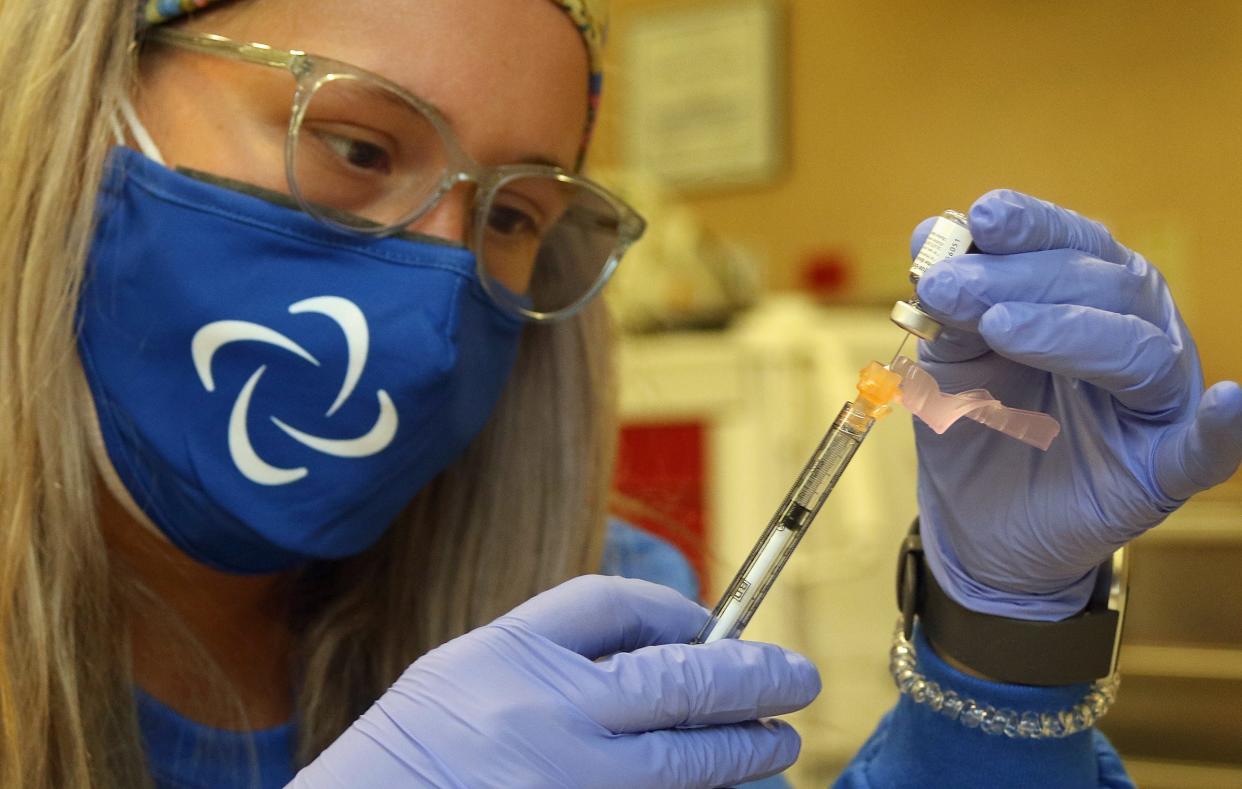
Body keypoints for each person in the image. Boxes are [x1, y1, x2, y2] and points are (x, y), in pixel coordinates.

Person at [0, 1, 1238, 788]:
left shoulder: (597, 618)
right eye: (358, 145)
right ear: (78, 102)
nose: (434, 291)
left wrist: (999, 640)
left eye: (517, 214)